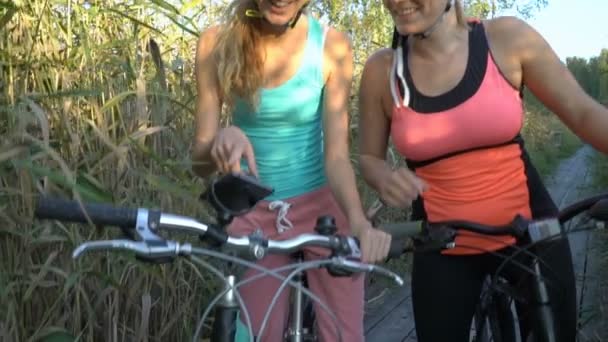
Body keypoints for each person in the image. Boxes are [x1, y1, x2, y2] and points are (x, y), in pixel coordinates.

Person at [358, 0, 608, 341]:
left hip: (530, 232)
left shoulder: (506, 38)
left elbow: (583, 113)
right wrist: (383, 177)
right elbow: (369, 158)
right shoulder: (383, 71)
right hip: (442, 244)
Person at [192, 0, 392, 340]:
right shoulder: (217, 43)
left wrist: (359, 222)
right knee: (255, 334)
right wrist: (222, 140)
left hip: (322, 209)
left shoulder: (332, 46)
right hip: (254, 213)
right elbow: (199, 163)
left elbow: (337, 157)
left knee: (344, 333)